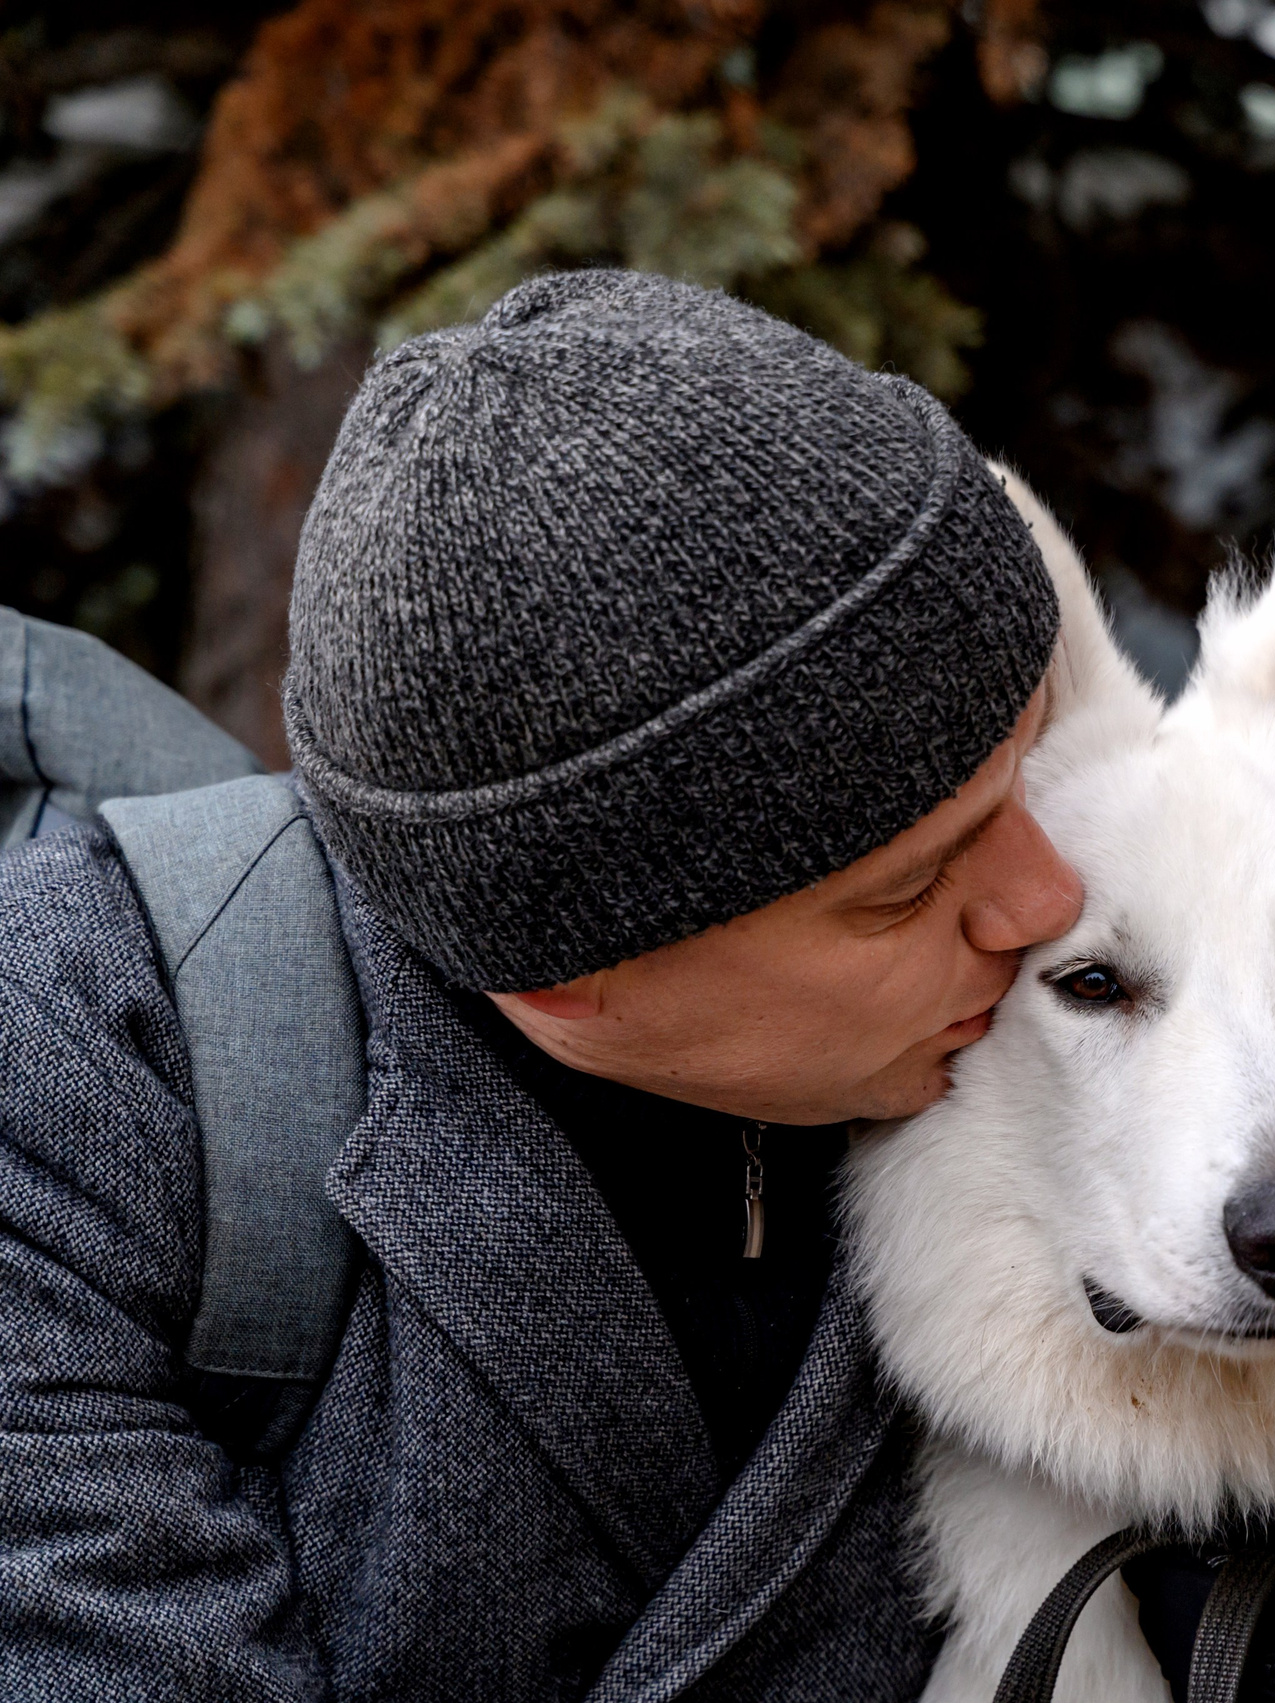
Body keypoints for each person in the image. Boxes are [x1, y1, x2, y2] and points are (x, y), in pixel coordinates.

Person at [0, 271, 1081, 1699]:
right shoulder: (76, 1085)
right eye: (905, 889)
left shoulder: (1111, 1012)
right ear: (568, 976)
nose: (1050, 901)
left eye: (1028, 773)